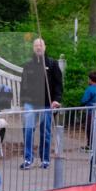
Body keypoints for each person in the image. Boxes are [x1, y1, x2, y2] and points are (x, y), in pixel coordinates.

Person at [19, 38, 63, 170]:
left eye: (40, 45)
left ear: (45, 47)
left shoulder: (52, 64)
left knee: (46, 132)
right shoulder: (28, 65)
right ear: (33, 48)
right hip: (31, 104)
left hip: (46, 104)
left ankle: (45, 159)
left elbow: (58, 84)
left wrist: (57, 99)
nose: (38, 47)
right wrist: (23, 102)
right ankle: (28, 159)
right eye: (36, 45)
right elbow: (24, 85)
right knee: (28, 130)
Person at [80, 70, 96, 156]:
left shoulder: (90, 89)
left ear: (90, 80)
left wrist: (81, 105)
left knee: (90, 128)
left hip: (91, 111)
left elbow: (84, 100)